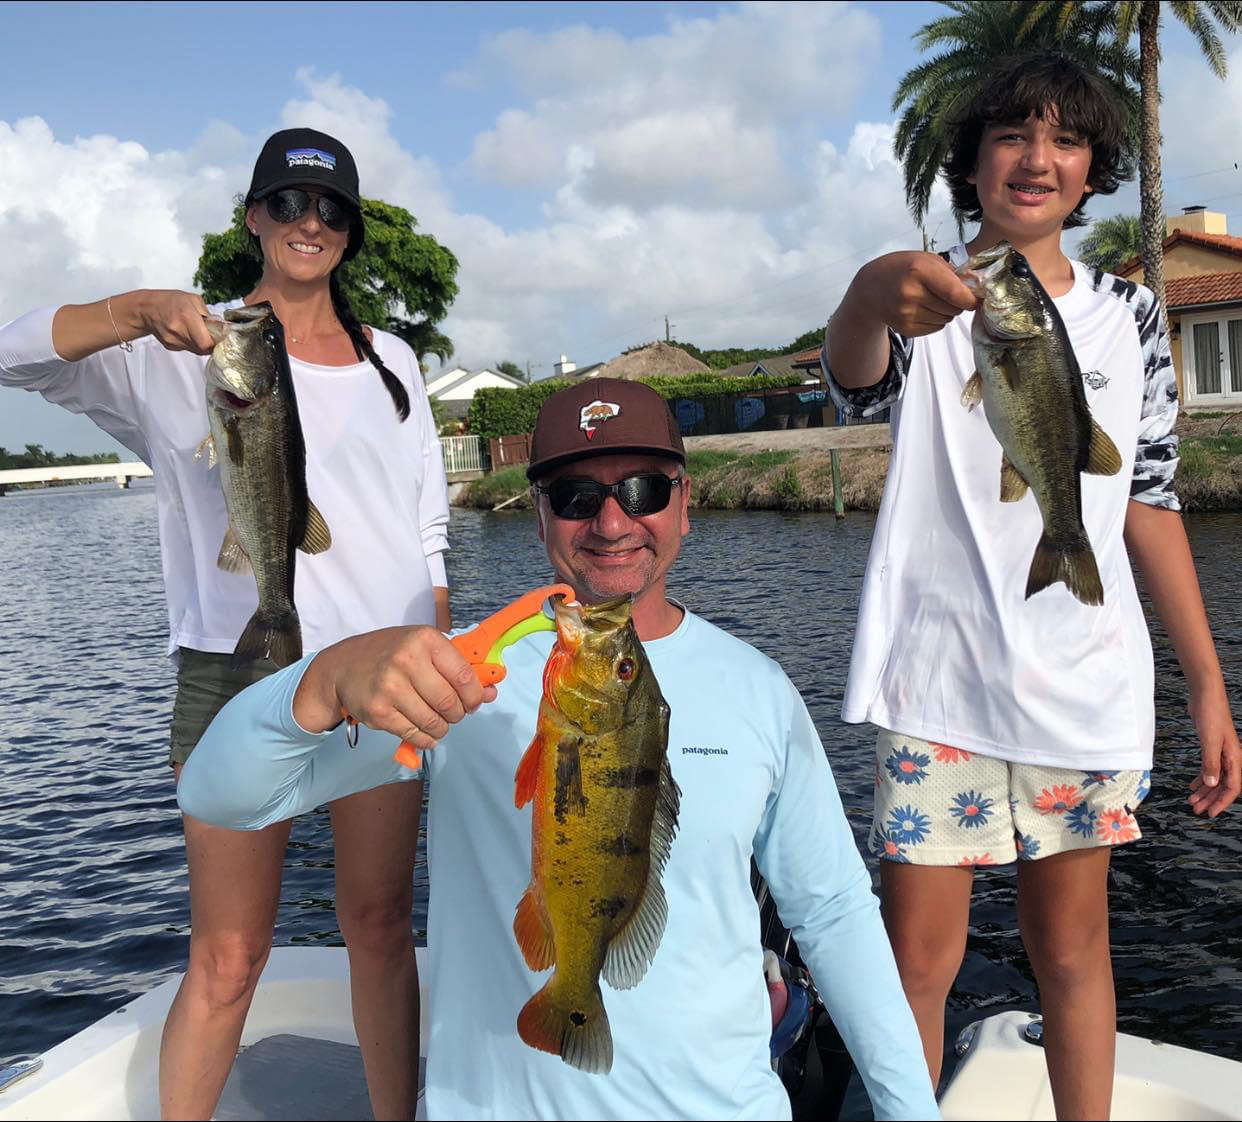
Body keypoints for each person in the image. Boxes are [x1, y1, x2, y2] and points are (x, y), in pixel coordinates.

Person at [177, 377, 940, 1120]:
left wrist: (912, 1110)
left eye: (643, 489)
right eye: (576, 498)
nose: (612, 523)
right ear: (538, 519)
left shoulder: (760, 688)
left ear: (685, 506)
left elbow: (834, 912)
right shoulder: (459, 680)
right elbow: (220, 795)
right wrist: (323, 680)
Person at [822, 52, 1241, 1120]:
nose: (1038, 158)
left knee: (1072, 950)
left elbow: (1148, 496)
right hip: (936, 683)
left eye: (1065, 139)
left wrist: (1204, 680)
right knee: (917, 962)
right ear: (970, 162)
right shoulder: (924, 300)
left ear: (1096, 167)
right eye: (1013, 135)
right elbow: (856, 374)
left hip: (1082, 686)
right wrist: (872, 291)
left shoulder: (1130, 314)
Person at [0, 128, 449, 1120]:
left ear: (350, 232)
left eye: (332, 210)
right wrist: (137, 309)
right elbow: (12, 358)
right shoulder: (177, 354)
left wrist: (442, 658)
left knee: (377, 924)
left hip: (383, 679)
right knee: (228, 953)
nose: (310, 223)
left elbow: (427, 531)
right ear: (253, 217)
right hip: (235, 671)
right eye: (288, 203)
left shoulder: (395, 365)